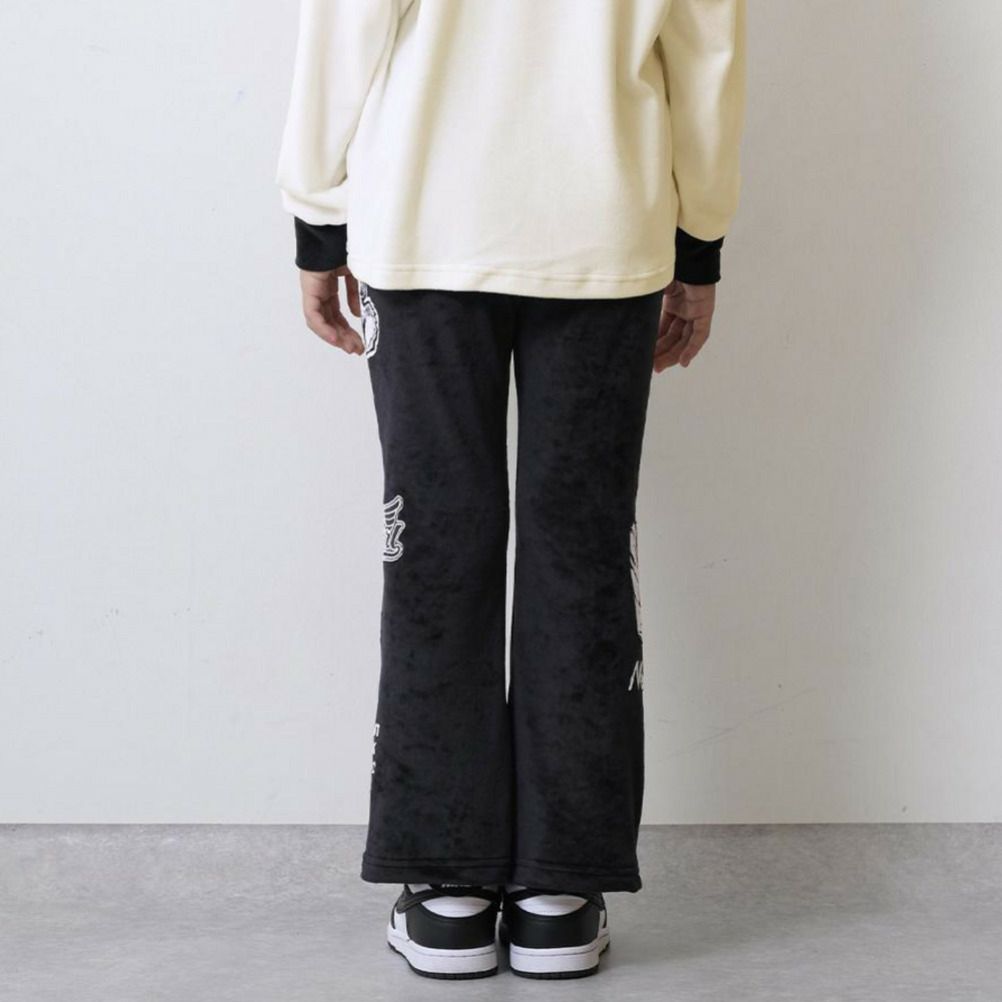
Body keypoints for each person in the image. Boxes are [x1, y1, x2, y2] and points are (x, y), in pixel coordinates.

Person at [276, 0, 746, 981]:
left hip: (424, 212)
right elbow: (705, 39)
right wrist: (699, 235)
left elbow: (347, 17)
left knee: (435, 545)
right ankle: (559, 895)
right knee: (582, 547)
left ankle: (448, 889)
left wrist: (318, 214)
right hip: (604, 214)